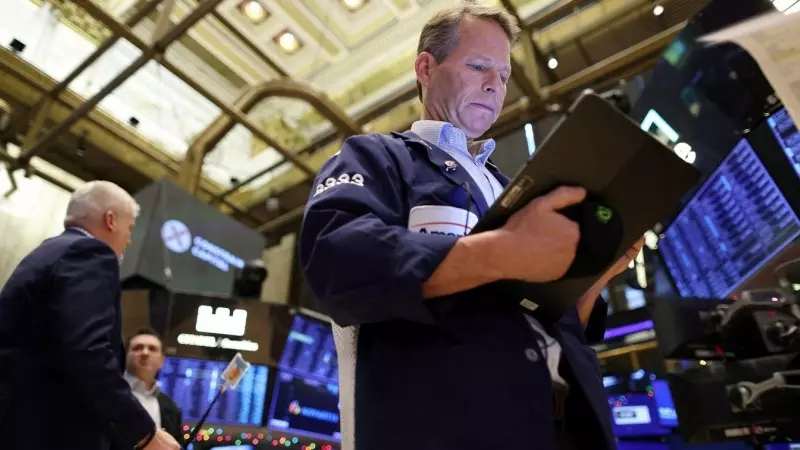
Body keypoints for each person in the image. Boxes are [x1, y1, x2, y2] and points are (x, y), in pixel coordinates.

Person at [299, 5, 644, 450]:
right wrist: (500, 251)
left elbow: (549, 320)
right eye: (479, 66)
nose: (494, 85)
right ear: (426, 67)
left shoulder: (510, 187)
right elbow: (336, 255)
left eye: (503, 75)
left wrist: (594, 276)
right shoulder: (379, 156)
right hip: (448, 427)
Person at [0, 181, 180, 450]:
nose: (129, 240)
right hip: (47, 432)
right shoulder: (90, 253)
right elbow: (87, 350)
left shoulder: (48, 252)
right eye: (129, 228)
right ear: (110, 220)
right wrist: (142, 434)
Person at [125, 328, 184, 445]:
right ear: (125, 355)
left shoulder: (171, 408)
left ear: (162, 360)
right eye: (138, 348)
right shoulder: (109, 393)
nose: (145, 353)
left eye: (152, 349)